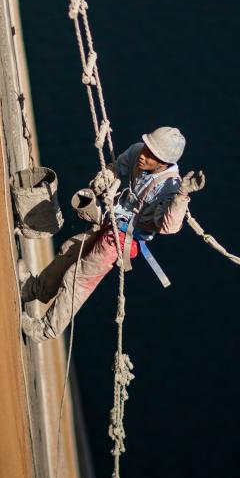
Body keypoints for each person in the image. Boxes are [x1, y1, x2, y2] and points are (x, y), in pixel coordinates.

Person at [18, 126, 205, 343]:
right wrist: (104, 179)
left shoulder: (170, 188)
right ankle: (35, 289)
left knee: (77, 279)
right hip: (112, 221)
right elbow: (118, 167)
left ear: (163, 163)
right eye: (146, 148)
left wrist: (182, 195)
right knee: (70, 249)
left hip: (122, 240)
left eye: (150, 155)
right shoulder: (139, 152)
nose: (143, 155)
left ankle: (45, 330)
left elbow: (168, 226)